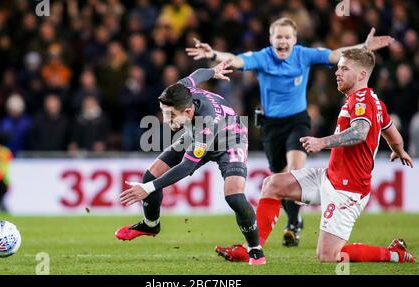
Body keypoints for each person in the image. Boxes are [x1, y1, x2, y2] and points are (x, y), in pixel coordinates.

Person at [186, 17, 395, 253]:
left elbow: (336, 55)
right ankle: (280, 229)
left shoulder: (303, 55)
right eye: (279, 37)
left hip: (297, 121)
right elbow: (235, 60)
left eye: (287, 37)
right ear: (271, 39)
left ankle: (293, 224)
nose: (283, 41)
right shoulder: (263, 57)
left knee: (295, 169)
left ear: (294, 40)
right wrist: (213, 53)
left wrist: (364, 47)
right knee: (277, 178)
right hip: (271, 126)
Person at [225, 48, 416, 263]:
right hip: (330, 177)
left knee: (328, 256)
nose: (337, 72)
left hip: (347, 190)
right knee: (272, 184)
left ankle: (395, 254)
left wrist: (322, 142)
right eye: (338, 68)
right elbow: (392, 133)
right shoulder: (373, 102)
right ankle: (251, 249)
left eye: (344, 68)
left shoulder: (362, 101)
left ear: (362, 75)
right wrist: (398, 150)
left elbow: (361, 132)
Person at [116, 59, 266, 265]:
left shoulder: (207, 121)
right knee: (151, 174)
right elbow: (198, 74)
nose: (165, 119)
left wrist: (148, 189)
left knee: (235, 197)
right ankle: (151, 225)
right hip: (195, 135)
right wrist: (213, 70)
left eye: (170, 114)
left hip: (231, 140)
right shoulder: (181, 89)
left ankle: (255, 249)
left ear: (187, 111)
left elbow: (186, 167)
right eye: (163, 112)